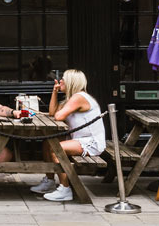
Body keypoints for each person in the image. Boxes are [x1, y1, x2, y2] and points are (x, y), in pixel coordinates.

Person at [30, 69, 106, 202]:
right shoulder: (72, 98)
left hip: (91, 142)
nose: (60, 81)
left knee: (56, 148)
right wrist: (54, 91)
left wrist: (62, 108)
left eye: (63, 79)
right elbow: (53, 112)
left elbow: (58, 116)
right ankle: (49, 180)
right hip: (79, 138)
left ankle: (65, 189)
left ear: (71, 82)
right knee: (47, 142)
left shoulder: (79, 97)